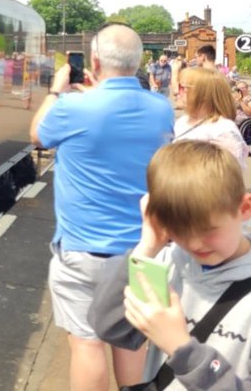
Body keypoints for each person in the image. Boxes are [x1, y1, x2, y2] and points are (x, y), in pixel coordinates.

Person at [30, 24, 174, 391]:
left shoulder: (71, 106)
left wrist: (56, 89)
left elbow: (37, 135)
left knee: (86, 343)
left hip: (83, 251)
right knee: (132, 342)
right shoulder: (161, 109)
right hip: (143, 250)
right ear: (140, 62)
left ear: (93, 61)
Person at [90, 141, 251, 390]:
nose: (195, 243)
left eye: (208, 230)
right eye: (180, 230)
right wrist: (147, 247)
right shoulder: (169, 261)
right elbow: (112, 328)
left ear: (244, 208)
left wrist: (181, 348)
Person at [174, 67, 248, 173]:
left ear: (203, 94)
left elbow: (230, 178)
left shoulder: (223, 131)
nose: (176, 92)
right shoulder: (182, 121)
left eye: (182, 87)